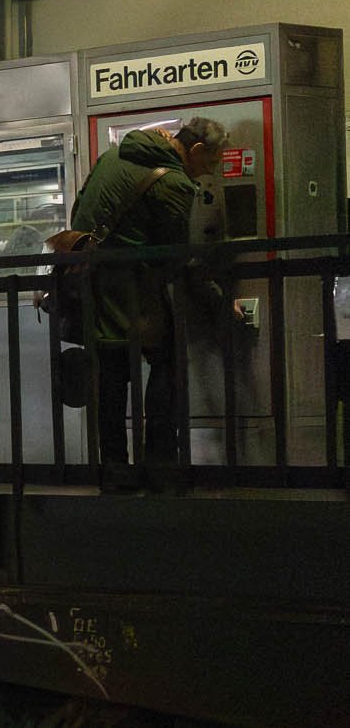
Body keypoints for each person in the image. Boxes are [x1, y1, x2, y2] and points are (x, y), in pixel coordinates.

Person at [64, 116, 234, 491]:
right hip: (134, 290)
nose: (211, 172)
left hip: (92, 284)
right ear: (197, 150)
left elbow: (80, 210)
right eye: (212, 163)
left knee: (111, 377)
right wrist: (215, 296)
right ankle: (160, 462)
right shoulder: (174, 182)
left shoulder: (111, 157)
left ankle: (114, 470)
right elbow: (173, 255)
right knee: (168, 361)